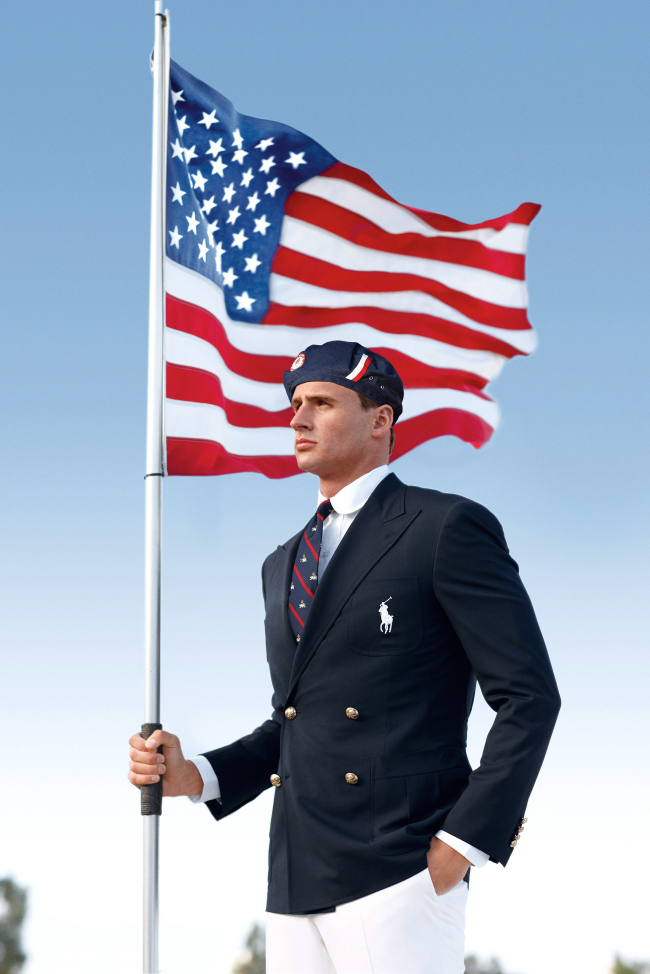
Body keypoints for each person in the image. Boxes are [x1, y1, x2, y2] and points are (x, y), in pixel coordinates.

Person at [128, 341, 561, 974]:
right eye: (295, 404)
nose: (297, 419)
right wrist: (194, 775)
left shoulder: (445, 527)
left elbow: (529, 697)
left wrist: (460, 844)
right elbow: (298, 721)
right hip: (295, 875)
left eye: (322, 403)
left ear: (381, 420)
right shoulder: (281, 564)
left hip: (401, 870)